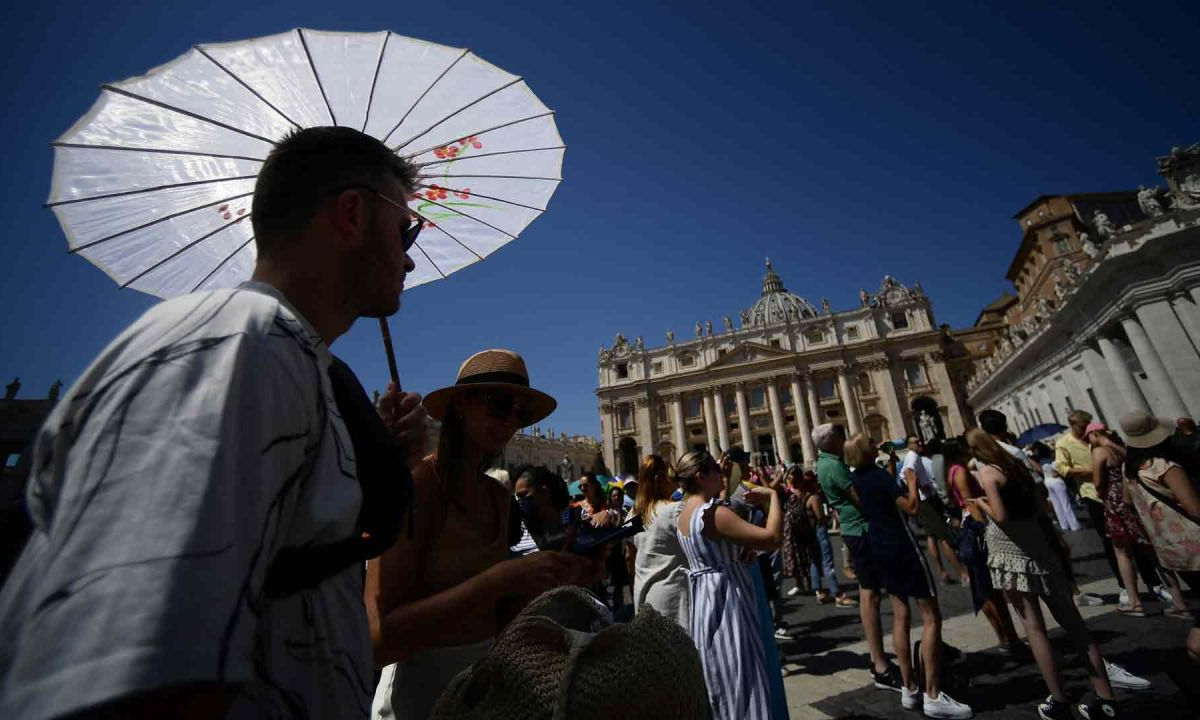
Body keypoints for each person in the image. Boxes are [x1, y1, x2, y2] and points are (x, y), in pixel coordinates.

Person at [0, 127, 431, 719]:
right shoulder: (240, 345)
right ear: (352, 214)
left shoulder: (290, 361)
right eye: (406, 229)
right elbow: (132, 670)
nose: (409, 254)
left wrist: (386, 461)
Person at [368, 349, 595, 720]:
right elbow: (377, 640)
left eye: (521, 413)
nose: (510, 423)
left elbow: (498, 620)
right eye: (500, 405)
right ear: (460, 404)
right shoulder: (419, 488)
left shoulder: (498, 498)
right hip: (420, 701)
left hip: (482, 697)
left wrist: (558, 581)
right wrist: (498, 579)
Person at [967, 428, 1122, 720]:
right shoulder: (1018, 468)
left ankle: (1060, 700)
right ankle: (1106, 696)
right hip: (1040, 546)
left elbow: (1000, 517)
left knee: (1035, 629)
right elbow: (1042, 505)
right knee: (1075, 624)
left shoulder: (988, 474)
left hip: (1012, 553)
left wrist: (981, 504)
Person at [845, 434, 974, 719]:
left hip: (879, 546)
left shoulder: (857, 480)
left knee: (900, 614)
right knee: (930, 616)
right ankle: (933, 694)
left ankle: (908, 688)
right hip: (901, 545)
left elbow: (878, 497)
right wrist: (912, 484)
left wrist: (891, 473)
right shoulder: (879, 477)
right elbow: (912, 508)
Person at [675, 450, 782, 719]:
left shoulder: (684, 513)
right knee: (744, 682)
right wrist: (773, 496)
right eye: (716, 470)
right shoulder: (714, 515)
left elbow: (715, 545)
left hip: (704, 606)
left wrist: (736, 552)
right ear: (701, 476)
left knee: (720, 682)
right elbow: (772, 539)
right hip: (728, 605)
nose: (723, 476)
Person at [813, 423, 903, 691]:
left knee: (871, 591)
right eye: (842, 436)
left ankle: (880, 660)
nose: (846, 439)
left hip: (858, 529)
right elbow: (861, 499)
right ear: (833, 441)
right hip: (862, 529)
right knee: (874, 593)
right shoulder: (833, 466)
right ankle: (881, 662)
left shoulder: (830, 463)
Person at [1052, 410, 1164, 606]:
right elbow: (1062, 468)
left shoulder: (1099, 439)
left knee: (1137, 537)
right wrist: (1090, 470)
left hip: (1120, 495)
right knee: (1110, 541)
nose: (1086, 430)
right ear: (1073, 425)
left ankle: (1153, 582)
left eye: (1088, 425)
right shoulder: (1063, 444)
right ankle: (1124, 587)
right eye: (1081, 427)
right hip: (1092, 494)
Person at [1121, 411, 1200, 668]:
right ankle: (1195, 647)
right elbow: (1194, 508)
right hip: (1194, 541)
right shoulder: (1165, 466)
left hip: (1169, 549)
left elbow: (1126, 502)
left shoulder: (1130, 469)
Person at [944, 438, 1022, 654]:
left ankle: (1007, 637)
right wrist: (983, 530)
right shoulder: (960, 471)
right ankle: (1008, 637)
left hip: (967, 527)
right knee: (990, 589)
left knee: (985, 588)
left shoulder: (953, 470)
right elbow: (972, 502)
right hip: (975, 528)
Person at [1085, 423, 1160, 617]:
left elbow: (1098, 482)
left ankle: (1134, 602)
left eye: (1089, 437)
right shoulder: (1121, 449)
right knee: (1148, 547)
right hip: (1133, 500)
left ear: (1094, 434)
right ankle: (1175, 597)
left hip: (1114, 502)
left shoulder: (1100, 452)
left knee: (1122, 553)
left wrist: (1102, 495)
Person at [627, 454, 690, 629]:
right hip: (673, 594)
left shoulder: (632, 514)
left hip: (643, 593)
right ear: (661, 478)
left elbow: (629, 557)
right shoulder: (675, 510)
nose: (676, 482)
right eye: (672, 477)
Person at [783, 466, 856, 607]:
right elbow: (820, 518)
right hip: (818, 532)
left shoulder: (796, 496)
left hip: (807, 534)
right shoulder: (813, 498)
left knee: (814, 562)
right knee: (827, 562)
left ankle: (820, 591)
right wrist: (827, 519)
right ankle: (837, 594)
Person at [903, 435, 968, 584]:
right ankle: (962, 573)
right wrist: (918, 487)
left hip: (927, 501)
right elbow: (908, 475)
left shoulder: (916, 457)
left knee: (931, 535)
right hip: (928, 501)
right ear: (909, 445)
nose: (920, 443)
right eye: (915, 442)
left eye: (919, 441)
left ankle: (941, 571)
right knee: (944, 537)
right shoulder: (913, 458)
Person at [511, 465, 572, 554]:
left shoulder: (574, 527)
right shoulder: (517, 534)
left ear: (544, 492)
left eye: (523, 495)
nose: (519, 501)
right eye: (517, 497)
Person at [1030, 442, 1080, 531]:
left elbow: (1039, 470)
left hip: (1047, 481)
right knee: (1065, 504)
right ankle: (1074, 525)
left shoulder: (1039, 461)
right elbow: (1060, 471)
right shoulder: (1052, 459)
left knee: (1057, 505)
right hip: (1056, 481)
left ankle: (1064, 525)